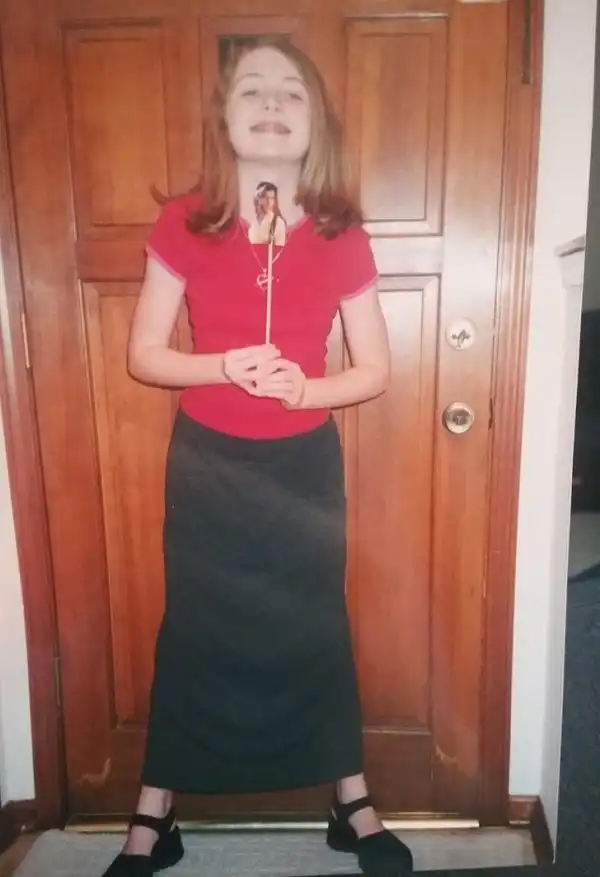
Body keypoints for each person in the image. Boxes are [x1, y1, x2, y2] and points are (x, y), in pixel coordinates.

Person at [103, 37, 414, 877]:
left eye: (291, 91)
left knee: (317, 624)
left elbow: (376, 369)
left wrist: (305, 390)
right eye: (252, 88)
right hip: (207, 466)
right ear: (225, 117)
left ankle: (351, 802)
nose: (272, 102)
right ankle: (155, 813)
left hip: (303, 467)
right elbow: (143, 355)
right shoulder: (183, 221)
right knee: (194, 627)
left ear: (316, 124)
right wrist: (223, 366)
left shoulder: (342, 233)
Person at [249, 181, 287, 245]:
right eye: (265, 197)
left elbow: (280, 249)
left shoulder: (279, 223)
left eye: (272, 198)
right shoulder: (252, 224)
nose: (268, 201)